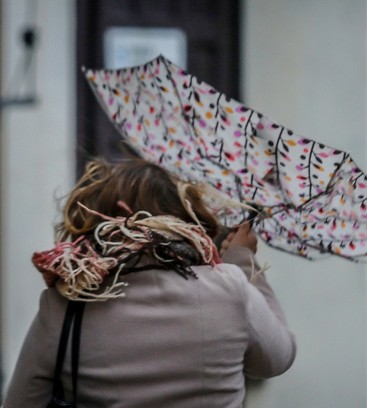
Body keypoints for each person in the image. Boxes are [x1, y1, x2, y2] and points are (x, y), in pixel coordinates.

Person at [2, 159, 296, 407]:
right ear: (185, 219)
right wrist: (243, 261)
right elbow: (276, 359)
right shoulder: (230, 287)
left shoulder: (66, 305)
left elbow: (21, 401)